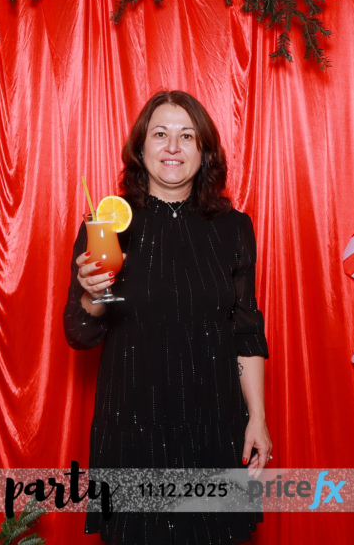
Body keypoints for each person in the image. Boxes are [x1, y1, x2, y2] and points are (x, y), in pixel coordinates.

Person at [64, 90, 271, 545]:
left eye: (187, 136)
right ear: (141, 149)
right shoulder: (106, 224)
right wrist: (93, 293)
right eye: (160, 134)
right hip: (133, 426)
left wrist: (256, 417)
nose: (173, 147)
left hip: (214, 424)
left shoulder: (234, 227)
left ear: (204, 151)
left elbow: (246, 330)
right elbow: (79, 334)